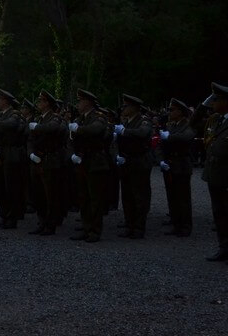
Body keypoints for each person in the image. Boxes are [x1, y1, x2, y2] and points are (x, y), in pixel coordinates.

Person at [68, 89, 110, 243]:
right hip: (82, 161)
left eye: (80, 101)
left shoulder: (98, 117)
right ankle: (86, 227)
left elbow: (96, 130)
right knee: (83, 197)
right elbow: (71, 139)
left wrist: (78, 129)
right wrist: (74, 154)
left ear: (88, 103)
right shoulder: (81, 118)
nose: (78, 104)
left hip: (96, 161)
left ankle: (95, 230)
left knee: (95, 198)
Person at [155, 98, 196, 237]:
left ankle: (185, 226)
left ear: (180, 111)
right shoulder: (171, 125)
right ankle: (176, 223)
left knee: (183, 197)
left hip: (182, 164)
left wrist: (170, 137)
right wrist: (160, 161)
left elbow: (187, 137)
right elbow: (160, 145)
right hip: (169, 164)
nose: (169, 112)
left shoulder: (187, 125)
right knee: (172, 196)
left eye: (171, 110)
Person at [115, 94, 154, 239]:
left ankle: (139, 227)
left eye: (126, 106)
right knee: (127, 196)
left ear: (135, 108)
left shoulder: (143, 121)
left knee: (140, 196)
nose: (123, 108)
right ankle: (129, 224)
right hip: (126, 162)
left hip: (139, 162)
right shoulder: (127, 122)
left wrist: (125, 132)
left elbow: (143, 134)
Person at [28, 90, 66, 235]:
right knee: (39, 194)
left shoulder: (54, 118)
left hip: (50, 160)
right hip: (37, 159)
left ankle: (51, 224)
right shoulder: (39, 119)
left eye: (40, 101)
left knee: (51, 194)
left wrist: (37, 128)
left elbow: (52, 129)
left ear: (47, 103)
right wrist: (31, 153)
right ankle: (42, 221)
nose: (38, 104)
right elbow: (30, 139)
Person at [0, 88, 26, 229]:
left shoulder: (15, 114)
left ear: (6, 100)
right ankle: (4, 216)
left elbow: (12, 125)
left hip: (11, 152)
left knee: (11, 187)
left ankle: (12, 218)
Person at [199, 82, 228, 262]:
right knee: (219, 214)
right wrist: (204, 104)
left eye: (216, 99)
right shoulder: (216, 120)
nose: (213, 103)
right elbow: (194, 121)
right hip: (214, 174)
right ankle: (223, 247)